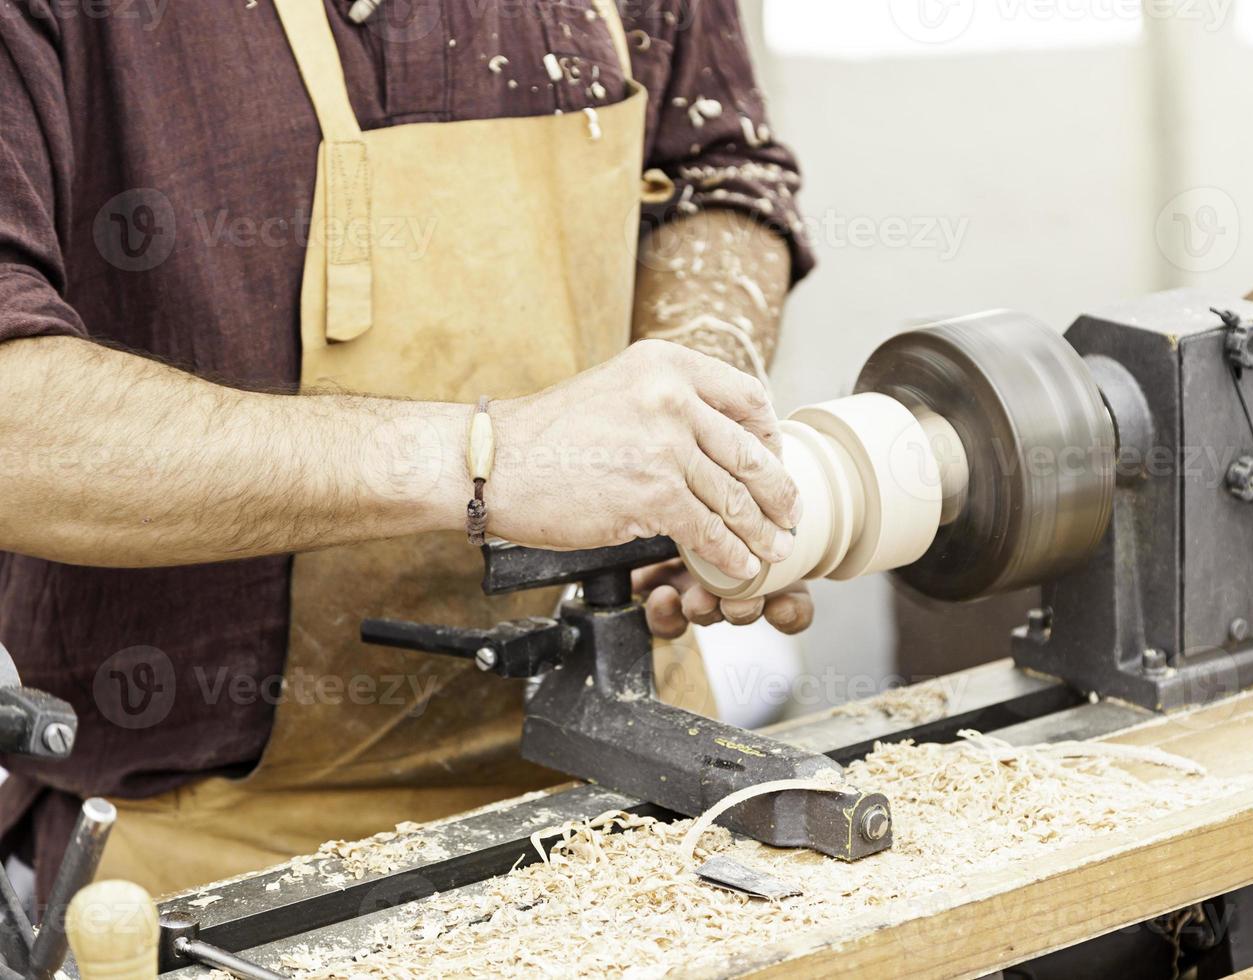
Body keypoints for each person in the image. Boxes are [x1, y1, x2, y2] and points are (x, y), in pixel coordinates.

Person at [0, 0, 814, 897]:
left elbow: (715, 173)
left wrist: (702, 447)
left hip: (636, 807)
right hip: (232, 868)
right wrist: (485, 460)